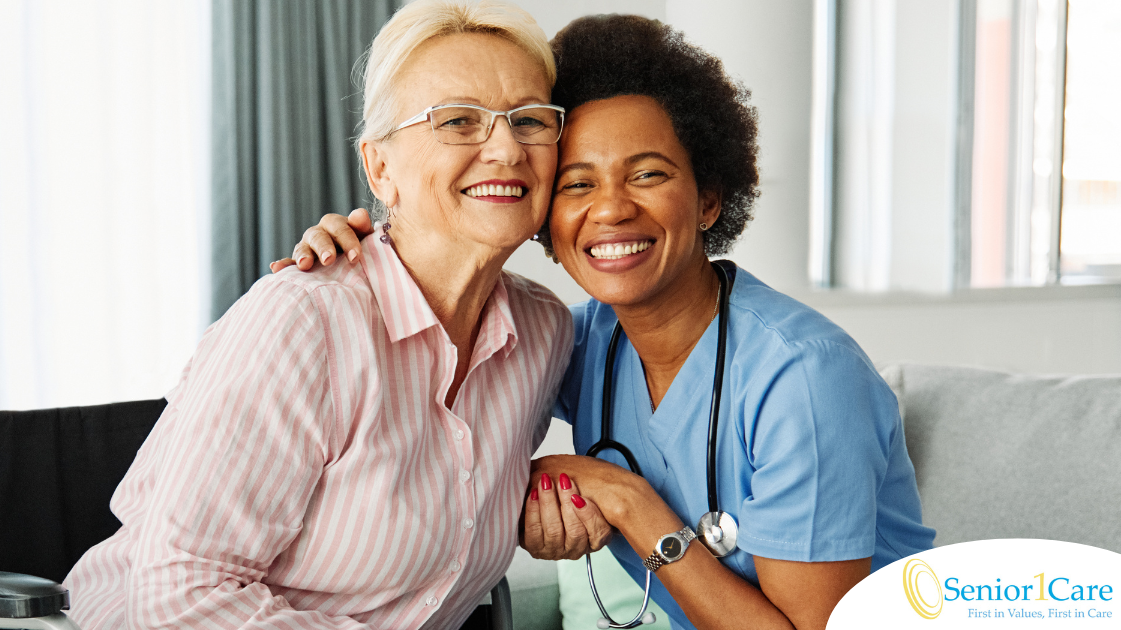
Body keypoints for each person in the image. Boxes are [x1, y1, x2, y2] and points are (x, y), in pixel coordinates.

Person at [275, 13, 935, 630]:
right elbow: (442, 388)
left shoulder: (804, 379)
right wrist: (358, 253)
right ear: (546, 223)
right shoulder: (575, 341)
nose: (612, 210)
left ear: (708, 200)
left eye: (647, 174)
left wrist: (626, 502)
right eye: (578, 184)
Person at [62, 2, 613, 628]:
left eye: (530, 120)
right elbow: (179, 594)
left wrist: (536, 504)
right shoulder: (303, 322)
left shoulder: (545, 333)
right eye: (458, 121)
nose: (507, 148)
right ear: (379, 167)